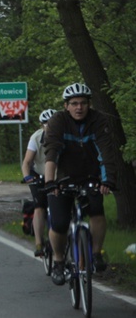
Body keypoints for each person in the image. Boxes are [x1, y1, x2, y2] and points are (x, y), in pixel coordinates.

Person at [44, 83, 119, 286]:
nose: (79, 107)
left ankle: (95, 254)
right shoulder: (58, 121)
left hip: (90, 177)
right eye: (74, 103)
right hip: (63, 179)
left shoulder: (98, 120)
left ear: (89, 104)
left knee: (96, 210)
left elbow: (105, 152)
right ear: (66, 106)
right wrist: (50, 182)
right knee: (59, 223)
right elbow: (52, 152)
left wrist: (107, 180)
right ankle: (59, 262)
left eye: (83, 103)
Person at [20, 108, 56, 257]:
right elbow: (27, 162)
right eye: (47, 124)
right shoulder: (35, 138)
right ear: (42, 126)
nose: (50, 127)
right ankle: (39, 243)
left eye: (53, 123)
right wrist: (28, 177)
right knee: (40, 206)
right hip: (39, 175)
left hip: (57, 175)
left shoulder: (65, 137)